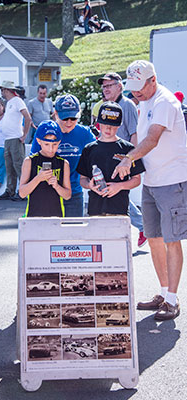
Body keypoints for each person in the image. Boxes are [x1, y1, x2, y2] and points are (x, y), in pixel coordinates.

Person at [112, 59, 187, 320]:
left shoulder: (164, 101)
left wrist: (128, 158)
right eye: (131, 87)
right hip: (152, 181)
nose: (135, 92)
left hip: (171, 181)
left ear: (153, 80)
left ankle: (173, 300)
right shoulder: (145, 100)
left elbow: (152, 139)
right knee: (153, 237)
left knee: (171, 240)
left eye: (139, 87)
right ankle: (164, 293)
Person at [97, 72, 147, 247]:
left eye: (109, 85)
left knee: (119, 194)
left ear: (120, 86)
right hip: (109, 157)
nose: (105, 89)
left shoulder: (127, 105)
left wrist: (130, 160)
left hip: (122, 159)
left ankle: (142, 226)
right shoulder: (109, 105)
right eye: (104, 86)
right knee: (113, 193)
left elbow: (134, 134)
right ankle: (141, 227)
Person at [31, 94, 96, 217]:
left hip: (73, 192)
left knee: (72, 234)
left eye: (73, 118)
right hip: (47, 191)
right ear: (55, 113)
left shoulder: (85, 133)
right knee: (49, 234)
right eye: (65, 118)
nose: (69, 122)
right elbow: (32, 161)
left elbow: (98, 154)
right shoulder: (45, 130)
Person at [76, 101, 145, 216]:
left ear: (119, 125)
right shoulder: (89, 149)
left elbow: (136, 179)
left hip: (119, 209)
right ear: (98, 123)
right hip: (95, 209)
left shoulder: (128, 149)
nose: (108, 129)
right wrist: (90, 186)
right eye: (105, 124)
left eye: (112, 126)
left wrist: (119, 186)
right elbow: (83, 179)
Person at [19, 121, 71, 217]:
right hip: (33, 216)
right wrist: (38, 178)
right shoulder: (29, 161)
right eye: (47, 144)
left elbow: (67, 195)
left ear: (59, 142)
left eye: (54, 144)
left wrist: (57, 186)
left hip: (56, 216)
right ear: (39, 141)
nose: (51, 149)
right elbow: (22, 193)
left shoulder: (63, 164)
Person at [0, 80, 31, 201]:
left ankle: (23, 192)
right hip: (8, 139)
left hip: (16, 138)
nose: (2, 92)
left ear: (7, 90)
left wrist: (24, 135)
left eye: (3, 90)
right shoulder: (10, 102)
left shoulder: (17, 101)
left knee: (19, 166)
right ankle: (10, 190)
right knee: (9, 166)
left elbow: (27, 117)